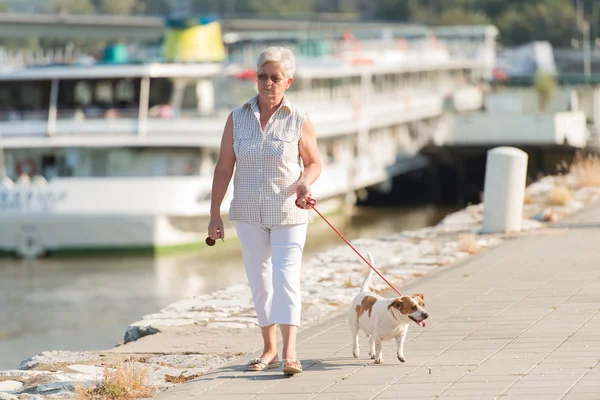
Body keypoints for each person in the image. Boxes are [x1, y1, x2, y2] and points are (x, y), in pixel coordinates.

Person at [207, 46, 322, 375]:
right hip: (247, 213)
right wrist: (215, 214)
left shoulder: (298, 119)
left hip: (289, 210)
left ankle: (290, 353)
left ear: (288, 81)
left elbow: (314, 162)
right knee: (260, 281)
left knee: (286, 278)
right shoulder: (237, 118)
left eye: (275, 78)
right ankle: (269, 348)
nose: (267, 83)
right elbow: (222, 169)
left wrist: (304, 181)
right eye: (262, 76)